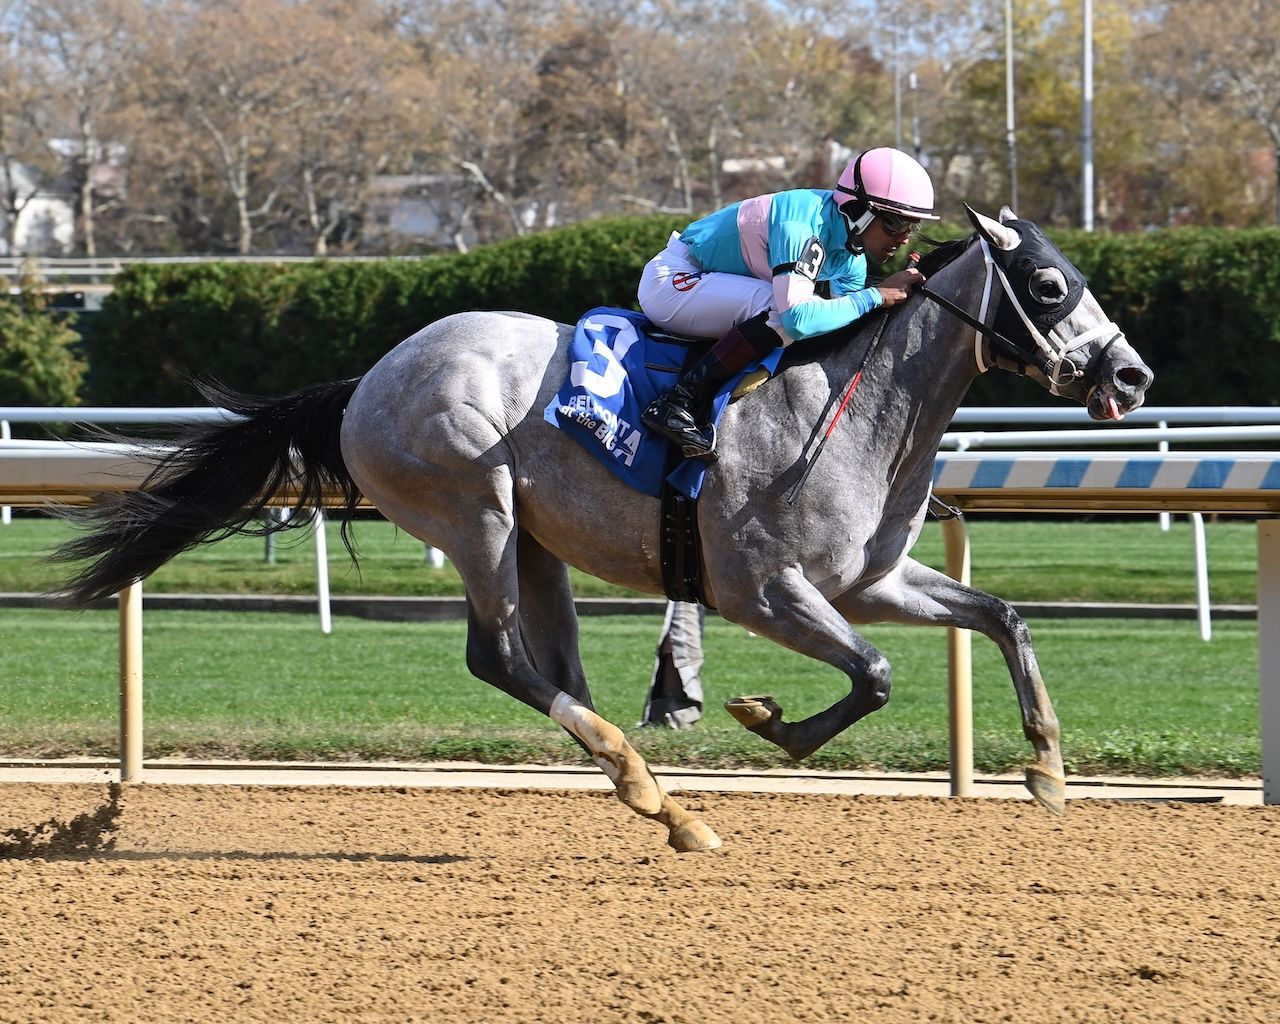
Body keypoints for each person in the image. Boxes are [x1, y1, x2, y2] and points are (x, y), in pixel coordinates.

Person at [637, 146, 939, 458]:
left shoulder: (852, 258)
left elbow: (843, 326)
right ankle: (678, 402)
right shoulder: (801, 226)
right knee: (783, 310)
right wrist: (875, 295)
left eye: (911, 226)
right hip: (673, 280)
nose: (904, 237)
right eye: (894, 223)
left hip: (707, 283)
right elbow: (798, 318)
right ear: (859, 212)